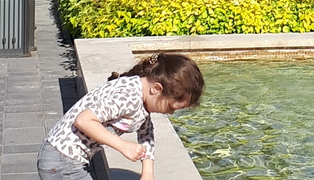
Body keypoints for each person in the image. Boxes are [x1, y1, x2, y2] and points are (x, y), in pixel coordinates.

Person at [37, 52, 205, 180]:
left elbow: (146, 134)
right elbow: (84, 120)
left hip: (67, 160)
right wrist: (123, 146)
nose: (170, 112)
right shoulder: (128, 95)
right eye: (170, 107)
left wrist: (147, 172)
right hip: (61, 160)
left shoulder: (142, 98)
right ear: (156, 89)